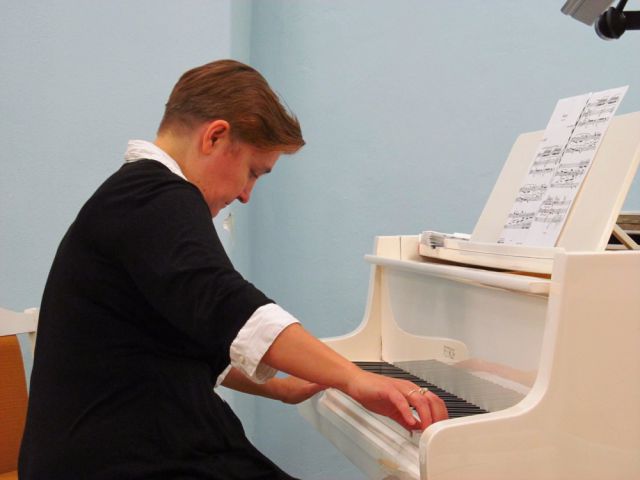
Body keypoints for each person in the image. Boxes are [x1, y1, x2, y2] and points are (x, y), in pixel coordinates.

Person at [19, 59, 447, 479]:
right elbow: (229, 306)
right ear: (215, 137)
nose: (245, 194)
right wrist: (354, 379)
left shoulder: (136, 195)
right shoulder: (156, 198)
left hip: (118, 450)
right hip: (119, 459)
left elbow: (183, 335)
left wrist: (279, 387)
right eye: (252, 172)